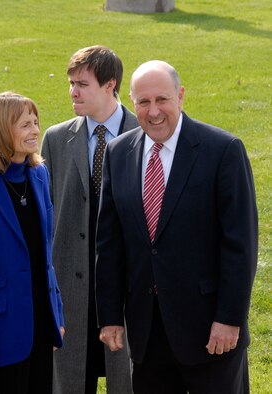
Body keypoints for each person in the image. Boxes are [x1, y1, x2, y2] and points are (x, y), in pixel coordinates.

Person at [95, 60, 258, 393]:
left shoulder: (223, 151)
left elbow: (240, 246)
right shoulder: (118, 153)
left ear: (180, 96)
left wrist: (229, 319)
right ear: (131, 101)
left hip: (210, 333)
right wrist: (110, 314)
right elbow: (109, 243)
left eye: (162, 100)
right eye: (143, 102)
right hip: (147, 332)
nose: (153, 111)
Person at [41, 45, 136, 394]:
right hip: (71, 283)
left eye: (82, 84)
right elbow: (46, 210)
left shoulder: (144, 133)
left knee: (126, 377)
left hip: (126, 283)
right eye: (70, 83)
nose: (73, 92)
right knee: (69, 378)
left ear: (110, 84)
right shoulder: (55, 138)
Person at [0, 92, 65, 394]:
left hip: (42, 322)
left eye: (35, 122)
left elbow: (45, 253)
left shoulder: (39, 174)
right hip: (1, 330)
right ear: (1, 131)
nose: (34, 131)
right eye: (24, 125)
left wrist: (56, 310)